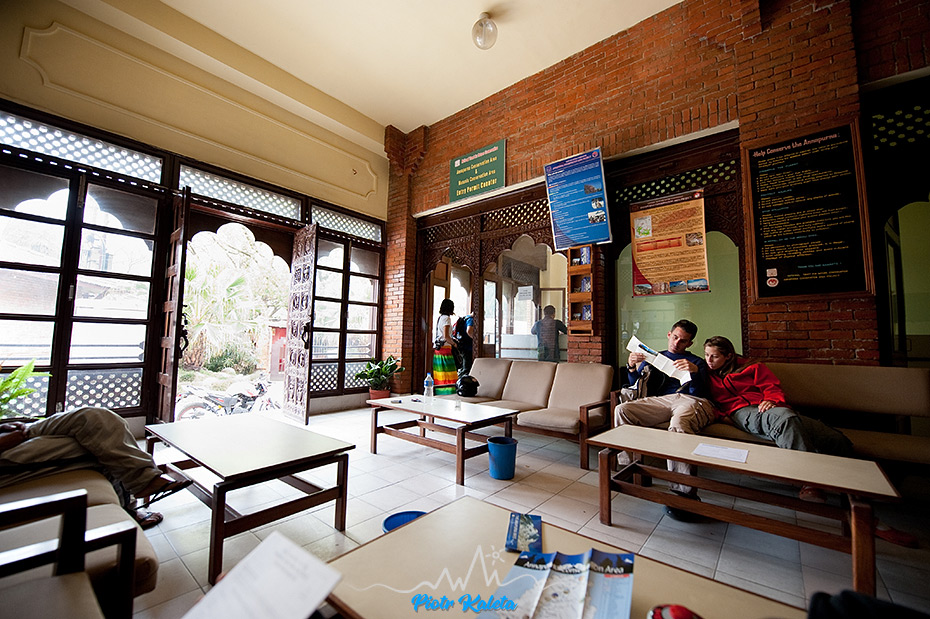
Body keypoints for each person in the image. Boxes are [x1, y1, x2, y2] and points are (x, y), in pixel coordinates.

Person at [703, 336, 919, 547]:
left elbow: (772, 387)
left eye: (714, 356)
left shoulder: (752, 367)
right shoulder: (706, 375)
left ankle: (862, 511)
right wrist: (723, 416)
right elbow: (706, 400)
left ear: (729, 356)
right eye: (706, 355)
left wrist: (771, 399)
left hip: (773, 409)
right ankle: (810, 480)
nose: (709, 361)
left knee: (836, 440)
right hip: (743, 412)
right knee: (786, 420)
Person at [0, 407, 191, 528]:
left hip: (10, 435)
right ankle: (138, 488)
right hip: (5, 455)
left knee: (92, 418)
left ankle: (143, 479)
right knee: (99, 442)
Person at [614, 319, 715, 516]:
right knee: (622, 409)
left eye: (683, 341)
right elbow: (636, 384)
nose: (677, 343)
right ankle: (630, 469)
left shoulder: (696, 362)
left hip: (689, 399)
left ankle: (683, 493)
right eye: (675, 337)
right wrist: (631, 366)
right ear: (669, 335)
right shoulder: (655, 357)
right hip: (661, 401)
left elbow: (701, 393)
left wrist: (694, 373)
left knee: (679, 424)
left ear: (689, 343)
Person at [433, 298, 459, 395]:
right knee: (449, 374)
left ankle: (440, 393)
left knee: (440, 374)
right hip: (445, 350)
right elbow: (446, 336)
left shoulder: (440, 318)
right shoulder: (447, 319)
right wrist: (455, 344)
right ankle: (449, 393)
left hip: (438, 350)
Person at [454, 309, 477, 375]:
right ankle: (462, 380)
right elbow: (469, 331)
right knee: (466, 368)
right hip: (468, 347)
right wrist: (476, 340)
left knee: (465, 367)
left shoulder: (466, 318)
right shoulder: (471, 320)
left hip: (463, 345)